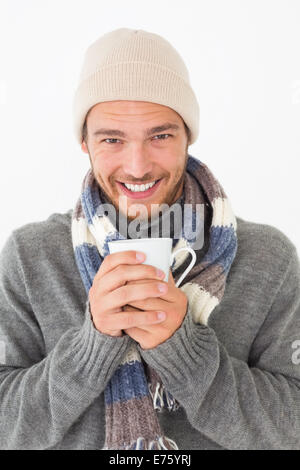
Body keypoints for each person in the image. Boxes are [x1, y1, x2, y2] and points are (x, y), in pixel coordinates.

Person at [0, 28, 300, 450]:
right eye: (112, 139)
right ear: (84, 142)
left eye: (160, 136)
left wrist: (183, 349)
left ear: (187, 137)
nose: (137, 166)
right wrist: (93, 345)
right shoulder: (31, 258)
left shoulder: (269, 260)